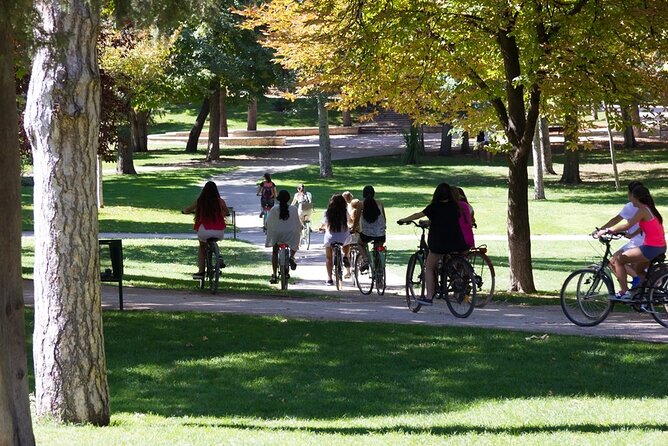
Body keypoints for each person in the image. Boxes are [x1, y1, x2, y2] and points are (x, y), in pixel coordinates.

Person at [397, 182, 469, 305]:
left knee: (429, 268)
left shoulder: (434, 207)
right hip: (457, 242)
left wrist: (404, 220)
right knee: (450, 260)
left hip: (439, 244)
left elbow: (418, 215)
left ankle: (429, 296)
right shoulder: (455, 206)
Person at [595, 185, 666, 300]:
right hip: (659, 247)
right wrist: (631, 235)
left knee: (618, 260)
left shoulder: (643, 210)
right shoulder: (649, 209)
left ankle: (624, 292)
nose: (629, 198)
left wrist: (607, 230)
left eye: (631, 196)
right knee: (638, 270)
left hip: (651, 247)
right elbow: (646, 226)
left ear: (636, 197)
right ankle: (644, 296)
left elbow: (628, 225)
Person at [598, 181, 645, 288]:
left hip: (638, 242)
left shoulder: (631, 206)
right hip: (643, 240)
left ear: (631, 194)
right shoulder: (647, 206)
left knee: (613, 261)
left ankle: (627, 288)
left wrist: (602, 230)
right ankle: (635, 289)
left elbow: (616, 221)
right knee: (629, 265)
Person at [182, 181, 230, 279]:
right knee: (214, 240)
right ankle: (218, 256)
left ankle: (201, 271)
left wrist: (184, 211)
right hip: (219, 231)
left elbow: (188, 209)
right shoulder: (220, 201)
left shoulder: (200, 200)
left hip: (204, 230)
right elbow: (227, 212)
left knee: (202, 247)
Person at [265, 189, 301, 284]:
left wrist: (266, 227)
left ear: (278, 199)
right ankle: (292, 257)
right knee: (295, 240)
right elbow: (298, 224)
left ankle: (274, 274)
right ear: (289, 199)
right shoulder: (293, 209)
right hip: (290, 235)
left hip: (277, 235)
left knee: (274, 252)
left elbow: (268, 222)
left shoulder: (274, 209)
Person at [319, 194, 352, 284]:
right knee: (347, 241)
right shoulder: (344, 212)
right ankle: (346, 256)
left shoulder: (328, 212)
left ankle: (329, 278)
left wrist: (321, 228)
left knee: (329, 257)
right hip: (343, 237)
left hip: (331, 237)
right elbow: (350, 221)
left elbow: (324, 223)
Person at [352, 185, 387, 270]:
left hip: (367, 234)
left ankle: (365, 260)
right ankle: (379, 271)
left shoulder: (361, 204)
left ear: (363, 194)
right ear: (374, 193)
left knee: (360, 244)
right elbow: (384, 218)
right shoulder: (380, 203)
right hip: (380, 234)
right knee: (378, 249)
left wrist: (353, 229)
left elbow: (356, 220)